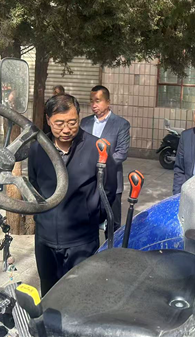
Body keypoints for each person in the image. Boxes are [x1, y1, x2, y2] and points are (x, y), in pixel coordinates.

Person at [29, 94, 117, 295]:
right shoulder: (37, 149)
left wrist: (92, 215)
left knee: (80, 294)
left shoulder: (97, 148)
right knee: (49, 294)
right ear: (48, 120)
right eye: (59, 123)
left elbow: (109, 189)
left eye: (72, 122)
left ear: (79, 117)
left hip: (82, 240)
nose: (67, 129)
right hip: (45, 238)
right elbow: (34, 185)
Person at [80, 85, 130, 234]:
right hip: (88, 183)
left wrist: (100, 166)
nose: (93, 105)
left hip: (112, 183)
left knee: (112, 225)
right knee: (88, 221)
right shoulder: (84, 123)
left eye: (97, 101)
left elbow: (121, 153)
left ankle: (111, 249)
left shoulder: (121, 124)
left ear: (108, 101)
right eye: (91, 101)